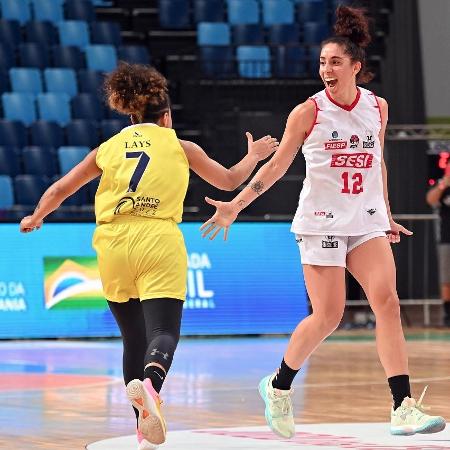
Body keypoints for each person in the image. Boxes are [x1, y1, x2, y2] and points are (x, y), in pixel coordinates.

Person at [200, 6, 446, 438]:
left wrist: (385, 212)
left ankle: (401, 406)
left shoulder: (378, 107)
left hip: (365, 221)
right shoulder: (308, 112)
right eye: (321, 62)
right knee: (329, 315)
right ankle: (278, 386)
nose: (326, 69)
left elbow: (378, 165)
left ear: (356, 67)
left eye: (334, 61)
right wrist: (236, 204)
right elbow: (276, 168)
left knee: (387, 302)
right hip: (321, 222)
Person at [19, 62, 278, 449]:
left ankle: (143, 429)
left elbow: (60, 188)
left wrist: (37, 215)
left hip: (111, 242)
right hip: (156, 237)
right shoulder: (179, 146)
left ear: (132, 112)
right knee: (163, 332)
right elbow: (228, 179)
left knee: (132, 340)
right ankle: (152, 389)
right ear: (166, 116)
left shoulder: (107, 148)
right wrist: (254, 155)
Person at [426, 161, 450, 327]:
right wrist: (444, 183)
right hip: (447, 239)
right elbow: (430, 199)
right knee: (446, 279)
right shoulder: (444, 186)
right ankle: (448, 315)